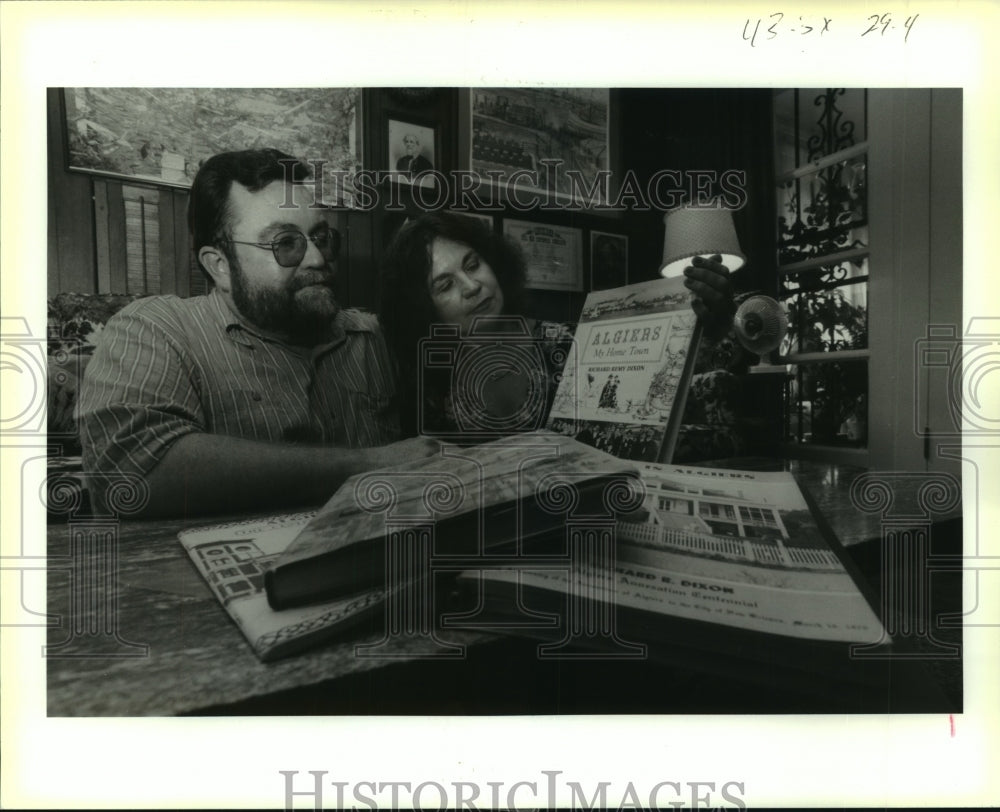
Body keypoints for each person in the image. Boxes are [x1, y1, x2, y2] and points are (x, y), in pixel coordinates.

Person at [78, 148, 438, 518]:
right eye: (285, 243)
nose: (316, 259)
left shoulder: (375, 337)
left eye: (321, 238)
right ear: (219, 266)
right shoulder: (157, 330)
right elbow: (125, 477)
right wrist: (367, 464)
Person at [378, 211, 735, 441]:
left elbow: (682, 395)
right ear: (423, 310)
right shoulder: (432, 387)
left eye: (473, 265)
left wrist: (714, 321)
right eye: (445, 285)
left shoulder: (574, 344)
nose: (472, 286)